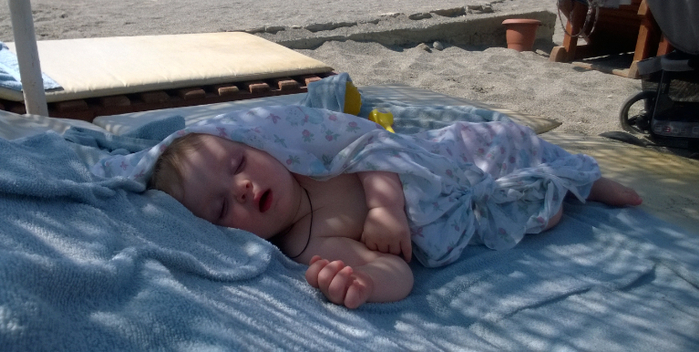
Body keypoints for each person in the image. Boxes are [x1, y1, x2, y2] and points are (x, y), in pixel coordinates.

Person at [148, 105, 642, 310]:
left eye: (238, 162)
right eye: (220, 208)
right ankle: (568, 185)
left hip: (442, 156)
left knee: (506, 137)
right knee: (538, 212)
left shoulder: (309, 166)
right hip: (458, 206)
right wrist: (361, 282)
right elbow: (396, 271)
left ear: (258, 146)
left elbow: (373, 148)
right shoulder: (306, 243)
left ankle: (589, 179)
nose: (241, 188)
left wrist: (384, 208)